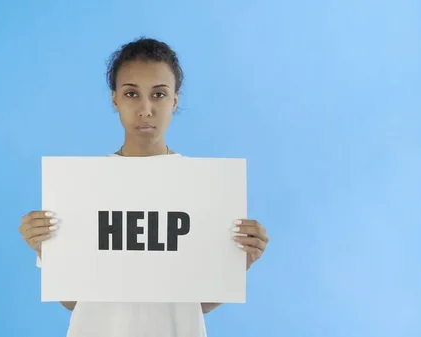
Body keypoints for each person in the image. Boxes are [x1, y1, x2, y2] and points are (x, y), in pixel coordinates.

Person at [18, 37, 270, 337]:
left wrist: (238, 261)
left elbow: (199, 304)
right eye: (132, 93)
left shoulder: (204, 188)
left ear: (175, 100)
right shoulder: (82, 186)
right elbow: (74, 301)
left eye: (159, 94)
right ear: (115, 99)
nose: (146, 109)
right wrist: (47, 248)